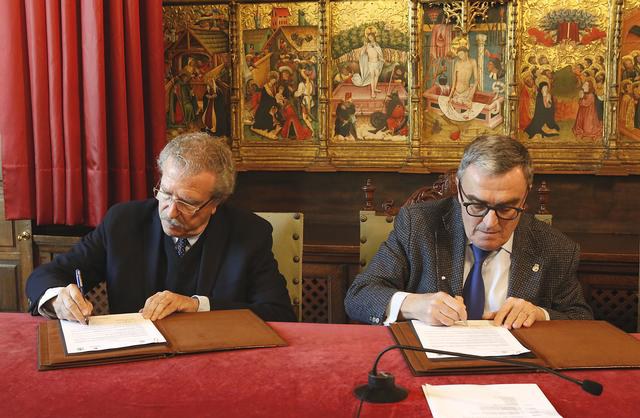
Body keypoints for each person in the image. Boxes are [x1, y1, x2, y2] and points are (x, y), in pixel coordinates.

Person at [26, 133, 296, 323]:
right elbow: (46, 275)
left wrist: (197, 305)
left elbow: (279, 313)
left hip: (213, 363)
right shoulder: (123, 222)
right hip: (136, 360)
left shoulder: (249, 233)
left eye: (187, 202)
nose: (170, 211)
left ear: (216, 203)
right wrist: (57, 299)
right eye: (165, 193)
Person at [345, 135, 593, 328]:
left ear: (525, 197)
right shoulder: (418, 225)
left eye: (506, 208)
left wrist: (540, 314)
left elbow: (581, 319)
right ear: (459, 189)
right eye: (476, 205)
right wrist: (413, 305)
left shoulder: (555, 248)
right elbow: (359, 296)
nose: (490, 223)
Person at [352, 27, 385, 98]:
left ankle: (375, 88)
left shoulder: (377, 45)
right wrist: (364, 46)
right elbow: (362, 53)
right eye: (369, 37)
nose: (370, 38)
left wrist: (382, 59)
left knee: (377, 75)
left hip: (377, 63)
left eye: (371, 37)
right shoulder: (367, 45)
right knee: (372, 77)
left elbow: (379, 54)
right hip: (371, 63)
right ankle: (372, 92)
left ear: (374, 37)